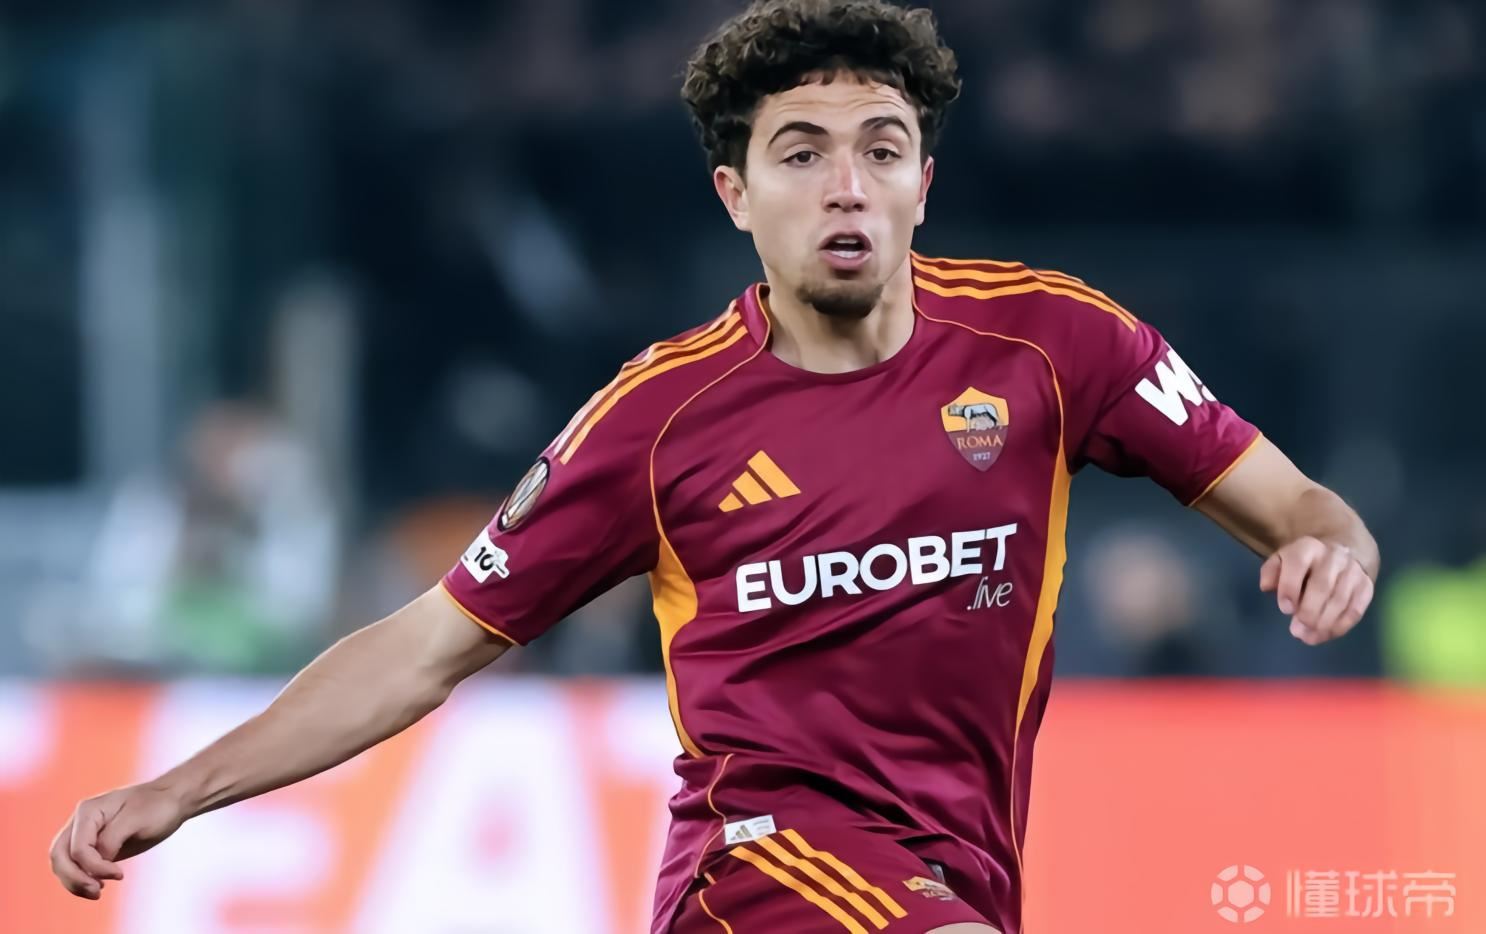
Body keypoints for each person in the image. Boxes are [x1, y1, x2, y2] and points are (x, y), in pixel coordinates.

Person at [49, 2, 1380, 932]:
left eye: (880, 149)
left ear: (923, 182)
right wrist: (179, 789)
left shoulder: (1050, 344)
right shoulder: (660, 420)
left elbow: (1295, 505)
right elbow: (425, 646)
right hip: (760, 879)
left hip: (963, 873)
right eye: (801, 154)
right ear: (735, 194)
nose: (846, 185)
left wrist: (1330, 546)